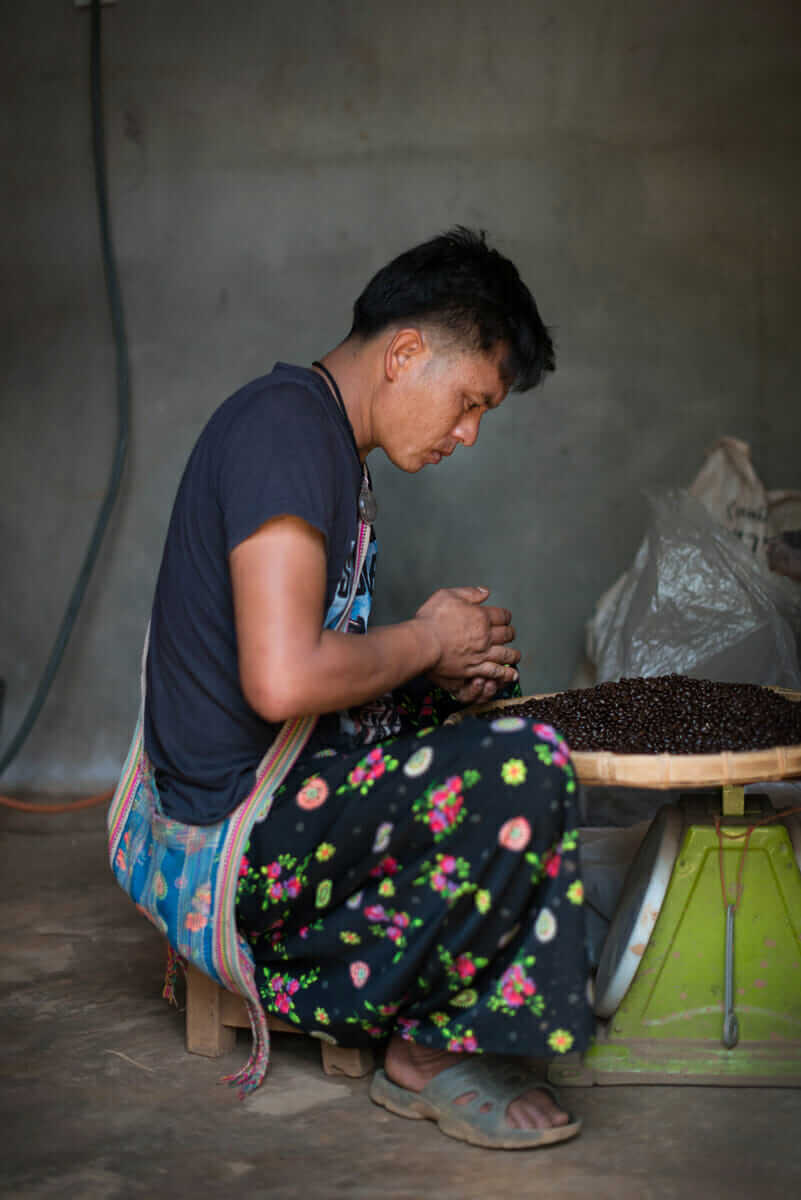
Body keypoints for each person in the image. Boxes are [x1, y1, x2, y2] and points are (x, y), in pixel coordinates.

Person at [144, 228, 592, 1150]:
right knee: (517, 768)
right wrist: (427, 636)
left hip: (273, 787)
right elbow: (283, 678)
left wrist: (440, 664)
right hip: (230, 841)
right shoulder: (284, 431)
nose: (467, 433)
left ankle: (404, 983)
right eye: (470, 402)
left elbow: (312, 670)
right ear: (403, 353)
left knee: (479, 703)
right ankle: (425, 1051)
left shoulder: (321, 439)